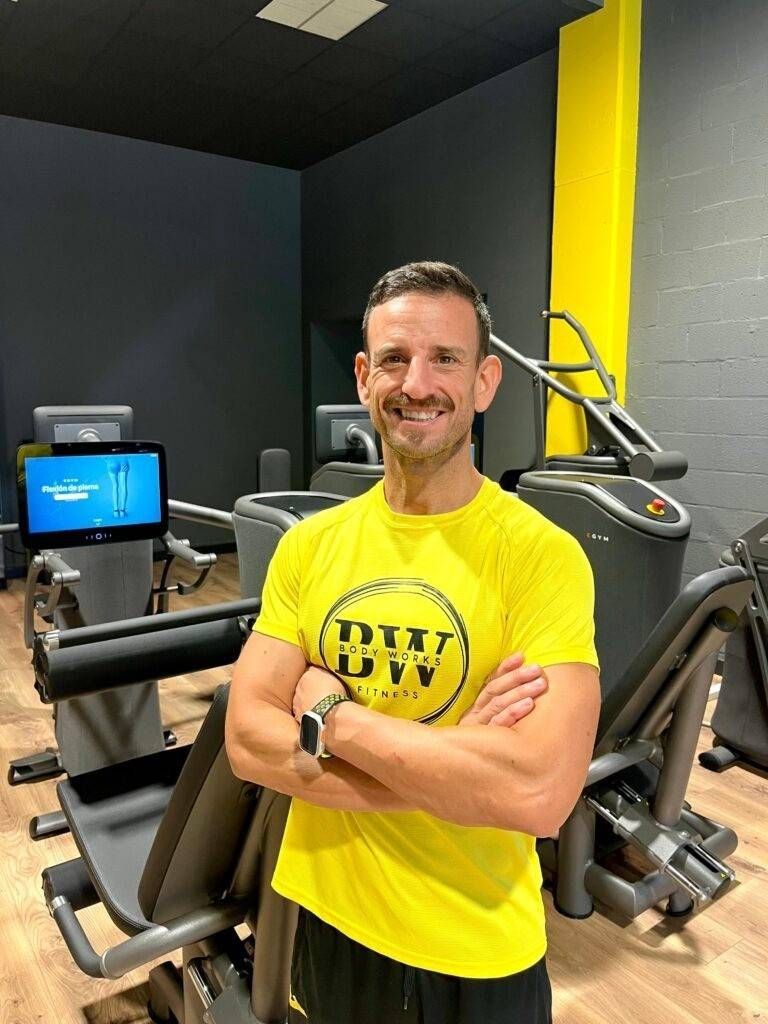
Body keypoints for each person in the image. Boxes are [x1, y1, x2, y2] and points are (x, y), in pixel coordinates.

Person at [226, 261, 601, 1024]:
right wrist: (457, 769)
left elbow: (537, 792)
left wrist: (335, 717)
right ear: (364, 378)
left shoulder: (540, 555)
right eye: (394, 359)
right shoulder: (311, 547)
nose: (416, 382)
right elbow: (246, 739)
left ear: (485, 381)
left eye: (445, 359)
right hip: (330, 918)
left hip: (476, 945)